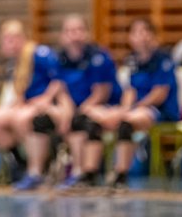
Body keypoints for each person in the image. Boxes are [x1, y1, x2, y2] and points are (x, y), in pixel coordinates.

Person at [14, 14, 120, 192]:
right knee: (40, 121)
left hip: (98, 106)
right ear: (63, 36)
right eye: (70, 31)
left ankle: (81, 172)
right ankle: (35, 173)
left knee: (80, 122)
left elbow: (101, 93)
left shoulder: (99, 57)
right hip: (71, 106)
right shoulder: (59, 59)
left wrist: (79, 112)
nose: (74, 35)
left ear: (87, 33)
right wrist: (66, 113)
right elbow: (61, 89)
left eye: (79, 30)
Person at [76, 19, 179, 193]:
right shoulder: (132, 61)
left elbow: (159, 94)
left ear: (153, 36)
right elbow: (129, 91)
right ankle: (89, 174)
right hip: (136, 109)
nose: (141, 36)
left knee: (126, 124)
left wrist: (132, 110)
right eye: (136, 32)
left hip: (161, 111)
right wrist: (123, 110)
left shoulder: (163, 59)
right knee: (97, 124)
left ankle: (121, 176)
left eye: (145, 31)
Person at [0, 19, 59, 180]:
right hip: (27, 103)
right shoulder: (14, 63)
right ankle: (18, 163)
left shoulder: (40, 54)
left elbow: (58, 79)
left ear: (24, 37)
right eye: (6, 39)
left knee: (21, 119)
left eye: (14, 38)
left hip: (46, 103)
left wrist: (46, 98)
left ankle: (38, 166)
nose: (11, 43)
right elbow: (22, 90)